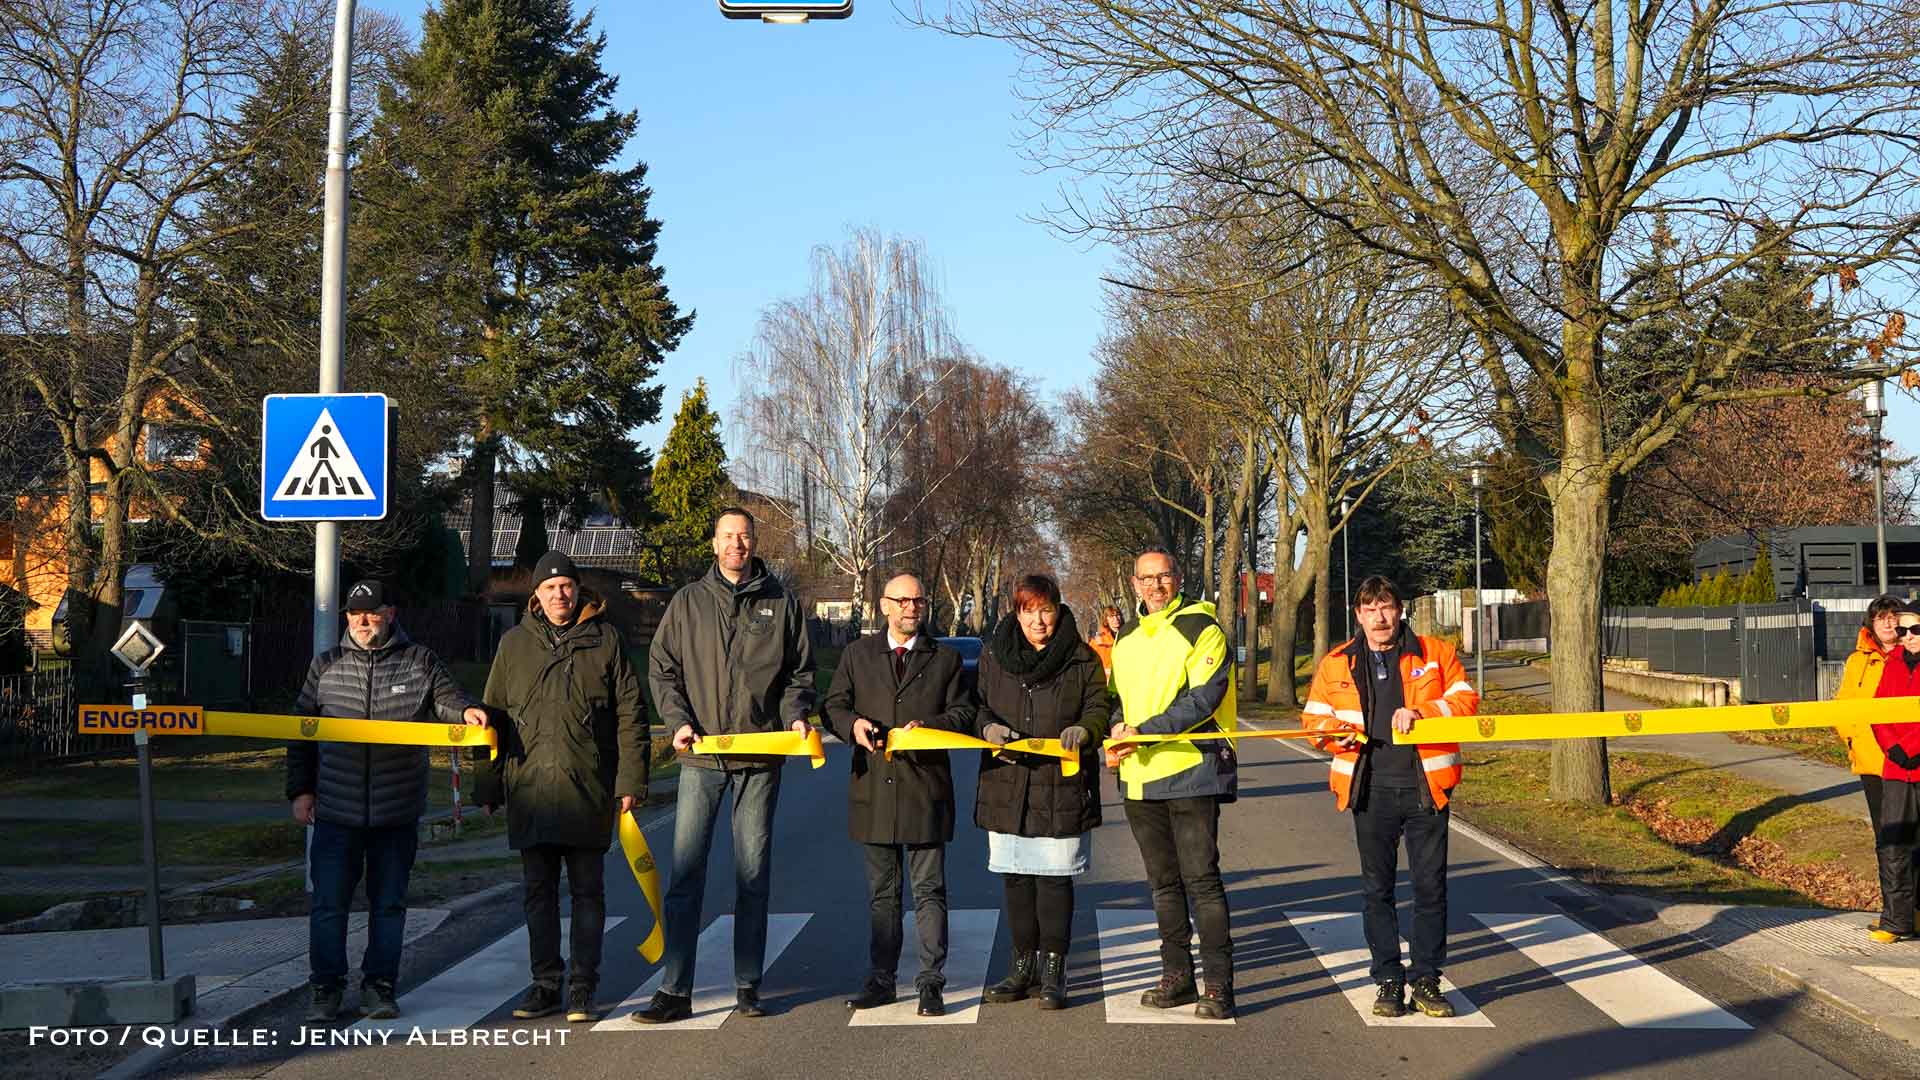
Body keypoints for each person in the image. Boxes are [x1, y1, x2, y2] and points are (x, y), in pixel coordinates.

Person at [635, 507, 816, 1023]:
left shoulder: (781, 604)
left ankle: (747, 984)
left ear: (756, 542)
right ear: (714, 545)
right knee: (686, 874)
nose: (737, 544)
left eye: (745, 536)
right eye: (728, 536)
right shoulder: (689, 602)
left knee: (752, 874)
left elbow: (798, 674)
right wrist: (678, 722)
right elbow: (662, 668)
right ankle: (674, 989)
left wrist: (796, 717)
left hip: (761, 760)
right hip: (703, 760)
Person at [288, 580, 488, 1022]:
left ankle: (379, 988)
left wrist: (467, 713)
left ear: (391, 614)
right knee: (327, 906)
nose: (362, 620)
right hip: (336, 812)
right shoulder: (326, 666)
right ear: (346, 618)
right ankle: (326, 989)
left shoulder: (419, 662)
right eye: (354, 613)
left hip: (396, 811)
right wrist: (301, 790)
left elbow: (448, 700)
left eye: (372, 612)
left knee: (389, 906)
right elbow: (300, 732)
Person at [474, 551, 649, 1024]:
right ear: (536, 595)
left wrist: (630, 780)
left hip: (587, 788)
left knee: (588, 893)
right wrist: (487, 785)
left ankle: (583, 987)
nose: (559, 595)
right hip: (529, 789)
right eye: (550, 588)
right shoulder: (514, 645)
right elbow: (492, 716)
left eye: (566, 586)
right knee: (538, 893)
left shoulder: (606, 640)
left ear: (579, 591)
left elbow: (633, 715)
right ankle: (545, 983)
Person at [1303, 575, 1477, 1019]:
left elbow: (1465, 700)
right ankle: (1387, 979)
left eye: (1386, 607)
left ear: (1399, 610)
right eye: (1370, 609)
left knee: (1429, 888)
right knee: (1376, 890)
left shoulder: (1435, 654)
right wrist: (1333, 738)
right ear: (1358, 615)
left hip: (1425, 788)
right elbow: (1314, 719)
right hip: (1369, 790)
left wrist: (1424, 712)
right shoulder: (1337, 662)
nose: (1379, 617)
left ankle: (1426, 979)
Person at [821, 573, 976, 1016]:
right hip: (873, 788)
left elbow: (964, 712)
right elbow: (833, 706)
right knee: (882, 894)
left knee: (929, 890)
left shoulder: (944, 659)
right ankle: (882, 979)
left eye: (919, 601)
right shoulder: (858, 654)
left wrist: (932, 730)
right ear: (885, 606)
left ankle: (931, 982)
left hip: (925, 788)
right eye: (903, 601)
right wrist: (851, 725)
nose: (912, 608)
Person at [1107, 546, 1238, 1020]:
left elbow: (1202, 698)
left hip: (1191, 771)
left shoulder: (1203, 627)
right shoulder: (1124, 635)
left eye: (1163, 577)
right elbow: (1118, 697)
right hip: (1139, 776)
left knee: (1201, 881)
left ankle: (1219, 986)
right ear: (1134, 582)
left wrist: (1145, 732)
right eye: (1146, 578)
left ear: (1178, 578)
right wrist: (1120, 727)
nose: (1155, 586)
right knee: (1163, 884)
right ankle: (1177, 975)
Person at [975, 574, 1107, 1010]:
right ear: (1016, 613)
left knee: (1053, 880)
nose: (1038, 620)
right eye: (1028, 610)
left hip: (1060, 782)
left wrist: (1085, 729)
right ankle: (1021, 968)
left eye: (1046, 609)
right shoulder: (994, 655)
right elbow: (976, 705)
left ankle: (1054, 971)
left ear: (1058, 609)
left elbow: (1098, 707)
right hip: (1007, 782)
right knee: (1015, 878)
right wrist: (986, 727)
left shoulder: (1082, 659)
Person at [1837, 594, 1911, 940]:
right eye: (1881, 617)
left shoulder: (1909, 655)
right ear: (1871, 623)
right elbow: (1844, 707)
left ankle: (1909, 914)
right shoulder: (1858, 662)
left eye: (1894, 616)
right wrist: (1853, 738)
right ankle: (1894, 915)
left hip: (1909, 762)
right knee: (1888, 839)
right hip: (1873, 761)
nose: (1888, 623)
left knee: (1910, 838)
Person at [1870, 603, 1920, 943]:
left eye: (1914, 629)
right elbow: (1876, 710)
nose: (1906, 637)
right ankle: (1895, 920)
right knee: (1892, 845)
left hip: (1914, 759)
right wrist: (1893, 749)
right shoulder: (1892, 664)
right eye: (1901, 631)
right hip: (1896, 769)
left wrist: (1912, 747)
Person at [1085, 605, 1122, 675]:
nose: (1116, 619)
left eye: (1117, 615)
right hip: (1108, 681)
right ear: (1106, 619)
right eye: (1111, 617)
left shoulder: (1127, 634)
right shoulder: (1098, 641)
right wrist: (1104, 671)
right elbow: (1089, 664)